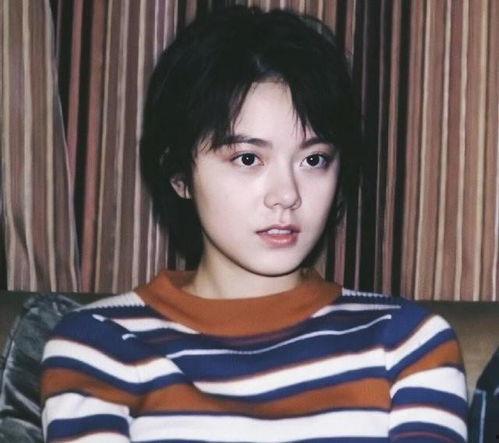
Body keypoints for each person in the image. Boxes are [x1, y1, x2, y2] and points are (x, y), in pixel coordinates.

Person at [40, 6, 468, 442]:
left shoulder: (407, 342)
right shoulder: (99, 343)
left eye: (313, 160)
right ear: (179, 175)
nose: (286, 194)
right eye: (248, 159)